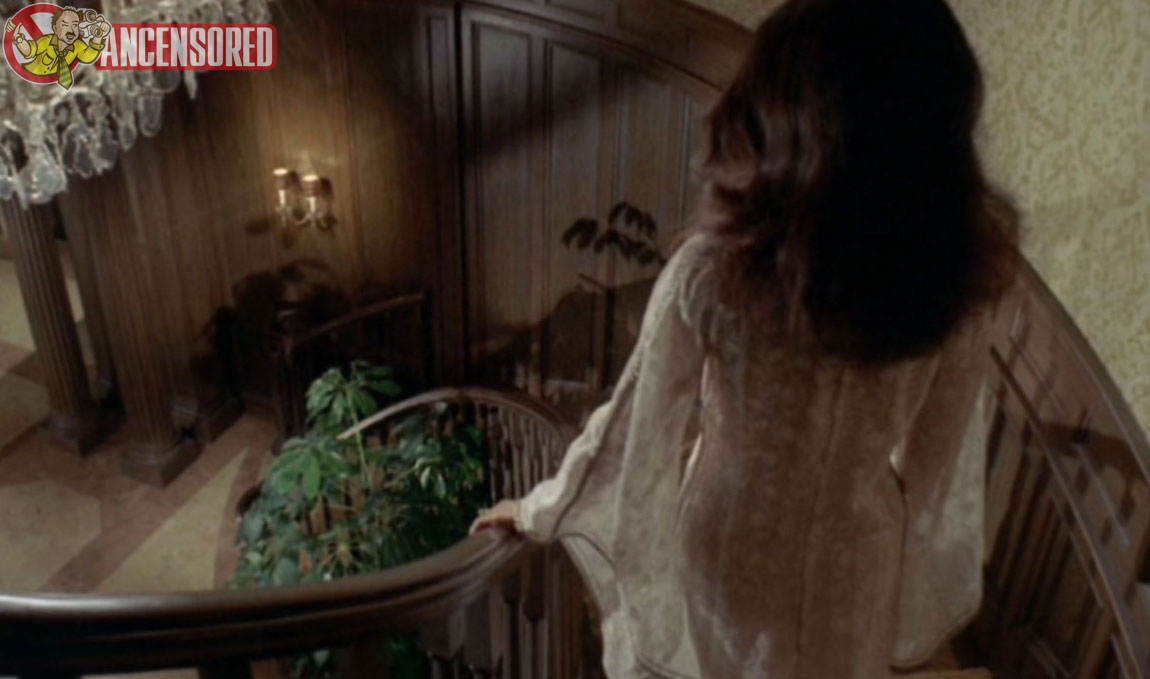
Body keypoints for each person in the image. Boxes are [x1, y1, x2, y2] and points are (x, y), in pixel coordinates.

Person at [471, 0, 1020, 676]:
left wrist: (537, 509)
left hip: (732, 548)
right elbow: (935, 463)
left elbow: (636, 421)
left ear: (775, 115)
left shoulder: (712, 271)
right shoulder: (958, 281)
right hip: (857, 558)